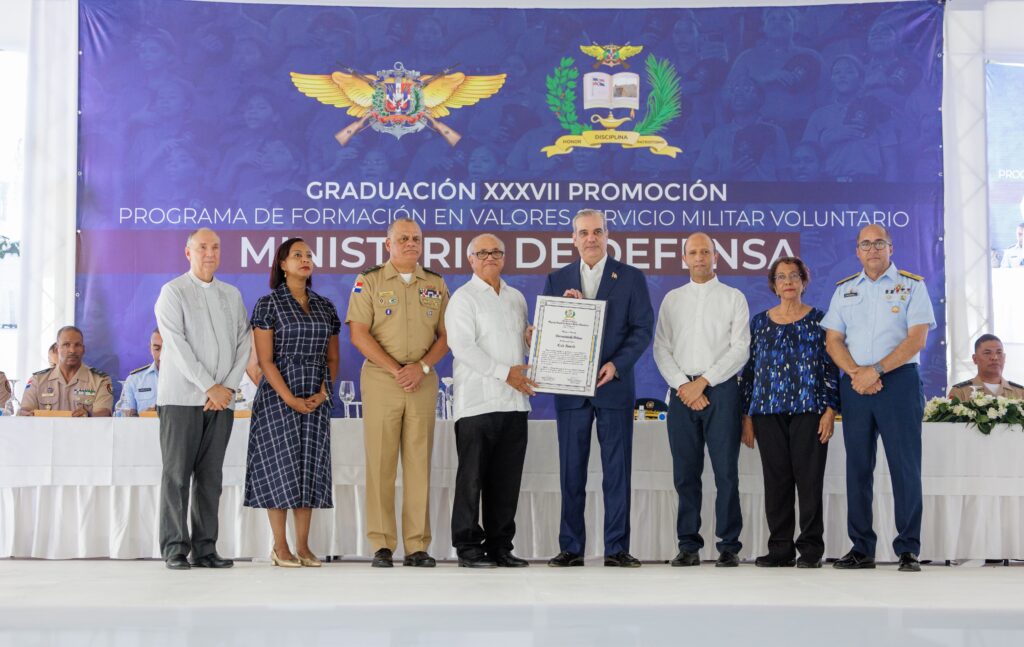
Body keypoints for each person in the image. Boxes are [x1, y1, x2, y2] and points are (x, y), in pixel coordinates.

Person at [822, 224, 936, 572]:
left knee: (905, 466)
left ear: (891, 248)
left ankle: (908, 548)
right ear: (857, 251)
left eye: (879, 243)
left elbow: (916, 339)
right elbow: (833, 340)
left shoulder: (912, 286)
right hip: (856, 385)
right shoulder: (844, 290)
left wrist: (877, 370)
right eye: (866, 244)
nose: (872, 249)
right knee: (857, 467)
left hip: (898, 383)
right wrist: (858, 373)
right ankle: (861, 548)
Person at [544, 208, 654, 568]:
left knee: (617, 471)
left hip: (613, 386)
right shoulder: (556, 279)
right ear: (573, 239)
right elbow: (550, 330)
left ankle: (616, 548)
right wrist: (541, 331)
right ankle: (571, 547)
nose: (590, 238)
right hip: (571, 390)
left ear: (607, 235)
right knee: (571, 472)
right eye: (583, 232)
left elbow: (642, 329)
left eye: (597, 231)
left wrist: (617, 364)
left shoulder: (631, 277)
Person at [346, 218, 450, 568]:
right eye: (403, 238)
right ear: (388, 244)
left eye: (416, 238)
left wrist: (420, 367)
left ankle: (417, 545)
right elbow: (359, 334)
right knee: (381, 463)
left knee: (419, 463)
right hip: (382, 379)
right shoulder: (370, 280)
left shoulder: (435, 283)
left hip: (422, 379)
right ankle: (382, 544)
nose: (411, 244)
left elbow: (447, 336)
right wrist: (397, 369)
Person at [154, 228, 250, 570]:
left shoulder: (231, 294)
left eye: (215, 247)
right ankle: (175, 548)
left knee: (211, 478)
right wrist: (210, 387)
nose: (210, 253)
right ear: (188, 252)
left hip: (221, 401)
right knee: (177, 476)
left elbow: (244, 342)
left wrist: (227, 388)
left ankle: (206, 548)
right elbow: (176, 346)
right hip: (182, 399)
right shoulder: (173, 292)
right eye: (202, 247)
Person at [653, 233, 750, 567]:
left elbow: (741, 349)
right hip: (681, 392)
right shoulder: (672, 300)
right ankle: (688, 545)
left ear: (715, 256)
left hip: (721, 390)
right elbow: (661, 348)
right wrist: (685, 385)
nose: (699, 257)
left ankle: (729, 546)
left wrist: (704, 382)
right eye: (692, 252)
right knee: (685, 474)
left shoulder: (733, 297)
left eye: (705, 252)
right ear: (684, 258)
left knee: (726, 473)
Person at [740, 256, 839, 569]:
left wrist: (830, 409)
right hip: (767, 413)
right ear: (773, 284)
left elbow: (830, 367)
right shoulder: (759, 323)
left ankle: (810, 549)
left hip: (810, 411)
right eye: (781, 277)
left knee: (809, 482)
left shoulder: (820, 321)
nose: (788, 282)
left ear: (804, 282)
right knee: (777, 482)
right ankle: (780, 548)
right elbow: (750, 371)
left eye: (794, 276)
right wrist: (746, 416)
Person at [246, 238, 340, 568]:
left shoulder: (325, 306)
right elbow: (265, 360)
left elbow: (332, 358)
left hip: (315, 394)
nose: (305, 259)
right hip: (277, 395)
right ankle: (280, 546)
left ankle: (303, 546)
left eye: (308, 255)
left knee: (309, 468)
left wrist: (323, 393)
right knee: (280, 468)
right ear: (283, 265)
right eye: (297, 255)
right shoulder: (268, 304)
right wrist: (289, 398)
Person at [445, 233, 535, 568]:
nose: (490, 258)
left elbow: (517, 348)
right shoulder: (463, 298)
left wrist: (531, 341)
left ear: (504, 257)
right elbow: (462, 347)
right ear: (470, 259)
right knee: (472, 479)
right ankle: (468, 546)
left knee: (506, 481)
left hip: (514, 402)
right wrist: (504, 373)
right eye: (482, 253)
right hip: (477, 403)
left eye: (496, 252)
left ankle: (500, 545)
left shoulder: (516, 298)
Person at [19, 326, 113, 417]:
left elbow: (104, 413)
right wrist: (27, 414)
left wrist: (88, 415)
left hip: (85, 428)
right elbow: (25, 410)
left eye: (77, 345)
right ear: (57, 349)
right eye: (66, 345)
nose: (72, 350)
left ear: (83, 349)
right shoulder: (37, 380)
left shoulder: (100, 380)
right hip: (45, 429)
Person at [947, 334, 1024, 400]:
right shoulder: (960, 392)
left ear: (1004, 357)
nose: (994, 357)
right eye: (987, 353)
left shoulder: (1020, 393)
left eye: (999, 352)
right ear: (975, 359)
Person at [121, 329, 162, 415]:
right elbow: (125, 417)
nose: (161, 355)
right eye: (157, 349)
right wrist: (144, 416)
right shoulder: (134, 380)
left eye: (167, 349)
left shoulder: (186, 379)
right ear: (150, 349)